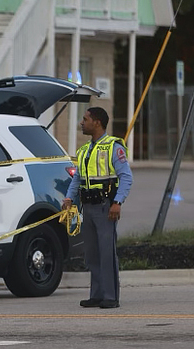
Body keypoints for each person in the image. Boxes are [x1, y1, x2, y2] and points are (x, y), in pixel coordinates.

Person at [62, 107, 133, 309]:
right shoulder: (84, 150)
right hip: (88, 207)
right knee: (92, 253)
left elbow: (126, 177)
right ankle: (96, 294)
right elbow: (78, 178)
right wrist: (69, 198)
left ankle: (110, 296)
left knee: (106, 252)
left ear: (98, 122)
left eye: (85, 119)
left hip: (105, 207)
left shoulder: (113, 147)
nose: (81, 123)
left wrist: (117, 202)